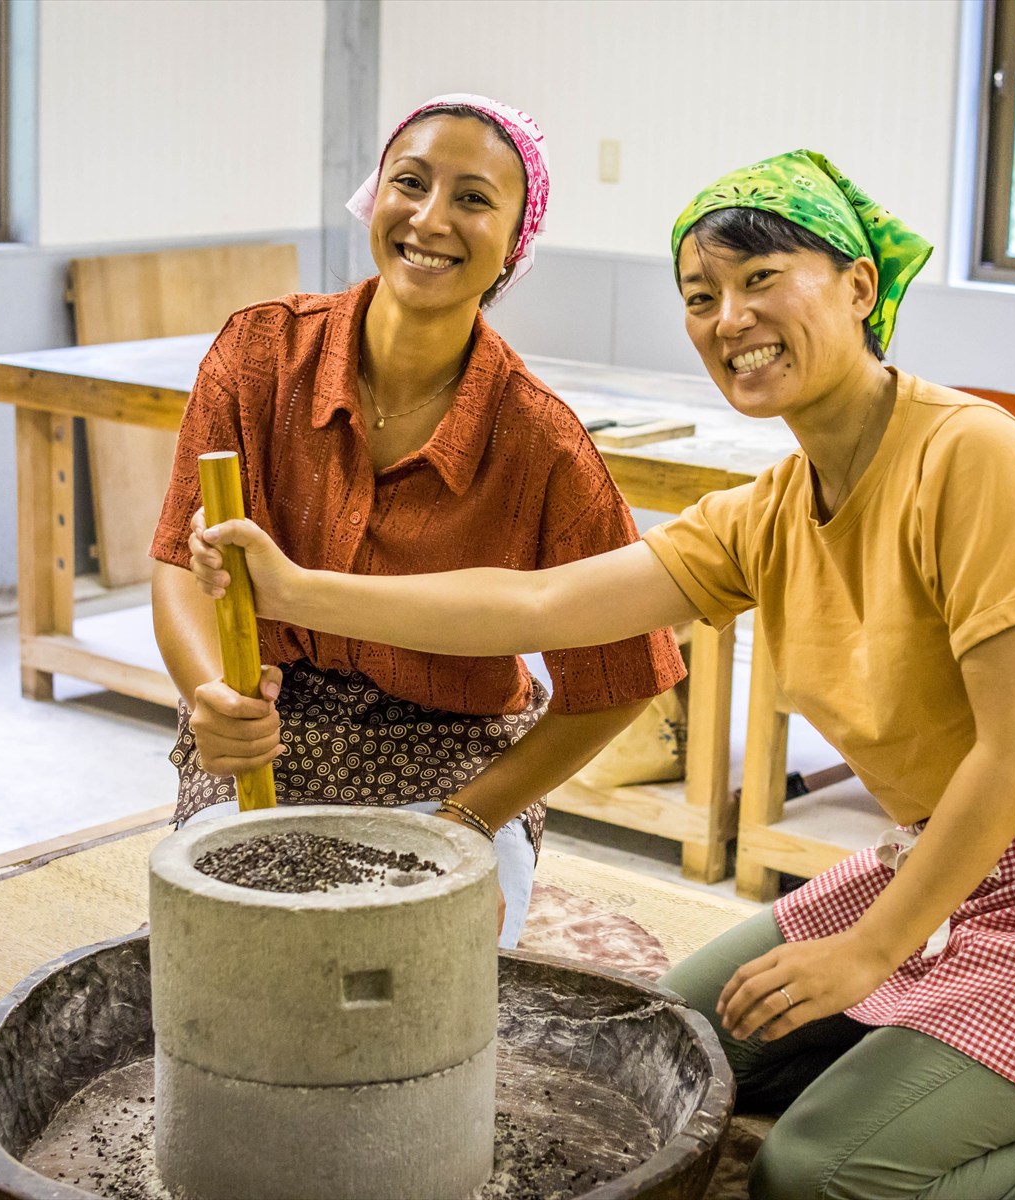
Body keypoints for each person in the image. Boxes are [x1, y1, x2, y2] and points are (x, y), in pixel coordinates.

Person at [186, 149, 1015, 1199]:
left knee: (817, 1174)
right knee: (659, 1045)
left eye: (760, 279)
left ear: (860, 286)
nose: (727, 317)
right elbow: (540, 603)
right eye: (701, 296)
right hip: (952, 865)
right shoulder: (771, 508)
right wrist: (294, 591)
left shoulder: (975, 456)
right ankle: (939, 1059)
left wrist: (869, 951)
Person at [150, 94, 685, 950]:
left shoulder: (539, 441)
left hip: (456, 752)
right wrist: (210, 689)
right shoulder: (259, 355)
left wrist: (471, 818)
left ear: (516, 244)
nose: (431, 219)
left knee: (424, 982)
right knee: (236, 962)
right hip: (271, 732)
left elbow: (625, 677)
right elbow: (182, 556)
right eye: (411, 182)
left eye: (474, 198)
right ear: (375, 196)